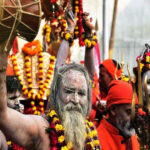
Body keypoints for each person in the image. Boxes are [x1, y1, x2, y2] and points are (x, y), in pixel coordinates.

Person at [0, 52, 100, 150]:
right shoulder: (42, 129)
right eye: (69, 91)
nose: (76, 100)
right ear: (56, 94)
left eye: (81, 93)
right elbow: (3, 115)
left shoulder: (90, 132)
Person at [97, 80, 140, 150]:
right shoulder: (96, 141)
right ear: (113, 110)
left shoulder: (133, 134)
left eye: (135, 112)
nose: (133, 118)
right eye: (129, 112)